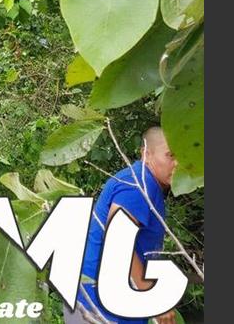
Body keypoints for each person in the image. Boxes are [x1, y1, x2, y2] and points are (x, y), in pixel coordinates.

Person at [65, 127, 178, 324]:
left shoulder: (143, 181)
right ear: (146, 154)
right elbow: (117, 240)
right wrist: (152, 296)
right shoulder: (138, 184)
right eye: (170, 155)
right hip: (100, 306)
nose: (177, 163)